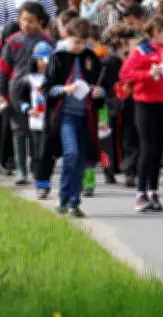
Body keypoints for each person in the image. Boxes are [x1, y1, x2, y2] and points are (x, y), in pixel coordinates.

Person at [119, 15, 163, 212]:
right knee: (147, 148)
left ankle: (153, 192)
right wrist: (148, 74)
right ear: (156, 32)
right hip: (144, 104)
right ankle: (140, 194)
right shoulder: (141, 50)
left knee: (158, 149)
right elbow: (125, 74)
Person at [43, 18, 105, 218]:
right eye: (75, 42)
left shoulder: (92, 58)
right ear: (66, 37)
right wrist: (65, 89)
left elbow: (102, 88)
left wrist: (99, 92)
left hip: (86, 117)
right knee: (71, 154)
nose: (79, 47)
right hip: (65, 116)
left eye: (83, 42)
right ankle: (63, 197)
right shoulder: (58, 58)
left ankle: (74, 202)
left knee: (81, 159)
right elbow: (48, 89)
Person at [0, 1, 52, 183]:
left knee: (37, 130)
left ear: (40, 22)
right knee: (18, 131)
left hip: (39, 91)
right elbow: (2, 69)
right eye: (23, 20)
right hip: (17, 91)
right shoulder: (12, 41)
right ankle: (21, 171)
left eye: (30, 20)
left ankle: (36, 166)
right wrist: (0, 94)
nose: (25, 24)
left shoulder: (48, 42)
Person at [99, 23, 137, 185]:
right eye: (125, 40)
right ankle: (109, 170)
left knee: (131, 136)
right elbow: (100, 84)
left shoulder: (135, 59)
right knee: (108, 138)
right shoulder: (108, 61)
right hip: (110, 103)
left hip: (132, 102)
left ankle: (130, 170)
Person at [15, 41, 53, 198]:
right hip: (36, 122)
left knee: (48, 154)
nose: (45, 62)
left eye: (48, 59)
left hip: (51, 121)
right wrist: (27, 109)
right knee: (38, 153)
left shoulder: (54, 78)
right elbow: (20, 98)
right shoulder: (29, 79)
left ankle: (45, 181)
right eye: (42, 59)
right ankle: (40, 184)